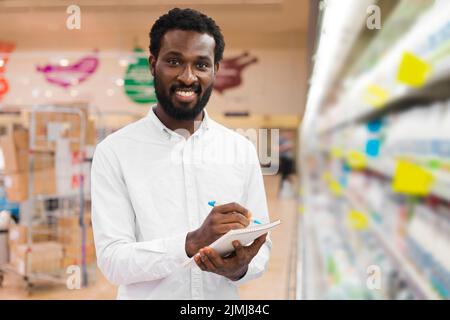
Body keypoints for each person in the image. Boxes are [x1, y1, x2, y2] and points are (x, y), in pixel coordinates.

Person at [91, 8, 271, 299]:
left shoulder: (240, 151)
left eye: (201, 65)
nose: (188, 77)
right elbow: (112, 261)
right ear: (153, 64)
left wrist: (239, 268)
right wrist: (191, 243)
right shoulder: (115, 152)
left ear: (215, 70)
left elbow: (263, 245)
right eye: (174, 61)